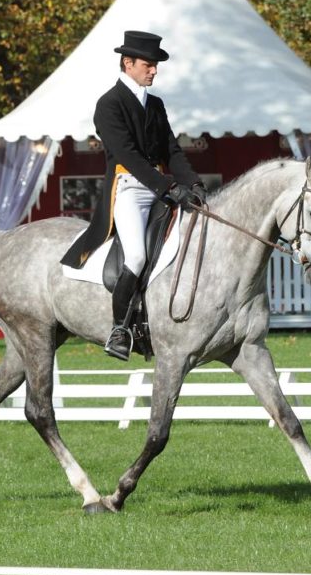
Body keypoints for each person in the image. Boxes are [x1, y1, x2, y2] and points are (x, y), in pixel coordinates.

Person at [60, 31, 205, 361]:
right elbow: (127, 154)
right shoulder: (109, 105)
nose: (154, 71)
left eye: (155, 66)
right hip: (129, 189)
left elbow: (172, 149)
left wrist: (193, 184)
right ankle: (119, 329)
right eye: (148, 65)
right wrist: (168, 186)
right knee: (137, 257)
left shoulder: (155, 104)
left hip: (160, 187)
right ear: (128, 63)